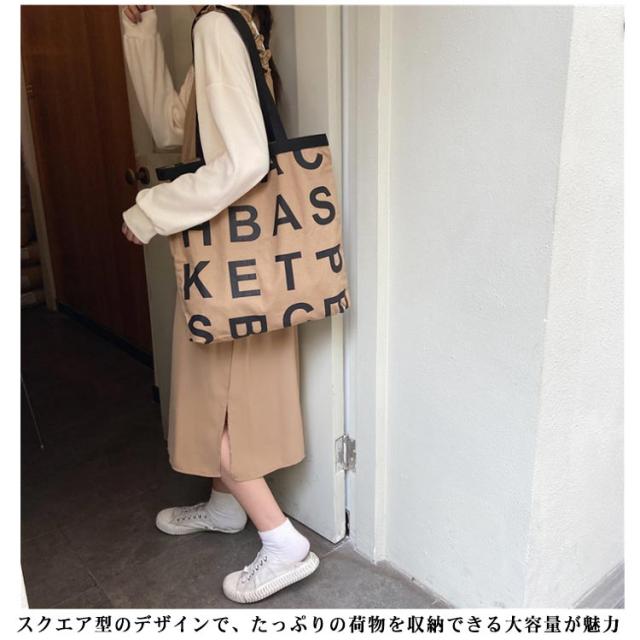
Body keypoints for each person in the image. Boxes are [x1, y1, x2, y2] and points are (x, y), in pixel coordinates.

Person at [120, 3, 319, 604]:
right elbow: (173, 126)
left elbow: (247, 160)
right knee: (220, 395)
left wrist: (150, 211)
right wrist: (141, 32)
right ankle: (225, 506)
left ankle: (282, 542)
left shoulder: (215, 25)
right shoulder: (233, 24)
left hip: (229, 271)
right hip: (245, 266)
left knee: (218, 407)